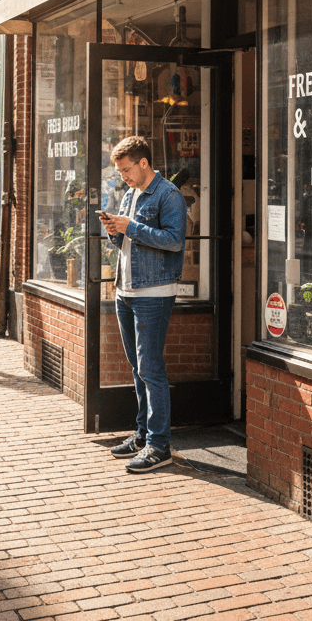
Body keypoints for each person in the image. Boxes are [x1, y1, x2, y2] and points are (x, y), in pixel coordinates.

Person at [100, 135, 187, 475]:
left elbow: (174, 240)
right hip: (126, 291)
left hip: (154, 293)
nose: (123, 176)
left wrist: (131, 227)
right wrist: (113, 229)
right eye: (120, 172)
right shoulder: (130, 195)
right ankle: (142, 435)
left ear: (144, 163)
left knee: (151, 368)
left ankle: (160, 445)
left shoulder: (169, 195)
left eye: (126, 170)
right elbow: (122, 240)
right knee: (138, 369)